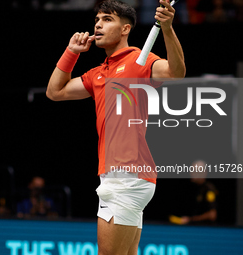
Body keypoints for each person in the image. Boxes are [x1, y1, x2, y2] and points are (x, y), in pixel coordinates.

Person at [46, 0, 185, 254]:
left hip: (126, 175)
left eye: (107, 19)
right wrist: (71, 52)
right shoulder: (98, 74)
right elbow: (55, 92)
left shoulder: (139, 61)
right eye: (97, 20)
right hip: (123, 175)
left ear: (125, 29)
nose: (98, 25)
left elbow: (176, 72)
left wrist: (167, 28)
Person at [170, 160, 218, 225]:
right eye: (191, 170)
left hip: (206, 230)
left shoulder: (209, 189)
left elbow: (212, 215)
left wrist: (190, 220)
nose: (191, 173)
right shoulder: (194, 187)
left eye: (195, 170)